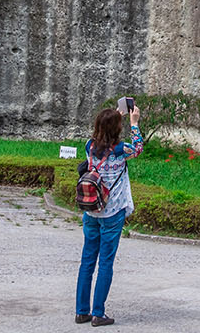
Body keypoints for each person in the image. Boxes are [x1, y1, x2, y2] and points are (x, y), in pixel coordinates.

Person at [75, 101, 143, 327]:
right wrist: (134, 123)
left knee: (87, 261)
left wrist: (115, 114)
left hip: (91, 210)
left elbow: (103, 134)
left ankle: (81, 311)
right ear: (117, 129)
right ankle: (98, 313)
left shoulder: (89, 146)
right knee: (105, 262)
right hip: (112, 212)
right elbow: (139, 148)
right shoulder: (120, 150)